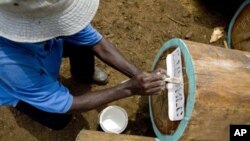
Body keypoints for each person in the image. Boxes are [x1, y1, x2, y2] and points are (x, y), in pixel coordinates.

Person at [0, 0, 166, 130]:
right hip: (17, 86)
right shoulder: (9, 63)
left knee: (81, 43)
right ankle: (33, 100)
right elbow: (68, 105)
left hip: (44, 50)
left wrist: (139, 76)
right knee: (59, 119)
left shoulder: (46, 10)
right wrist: (129, 88)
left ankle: (84, 74)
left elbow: (97, 43)